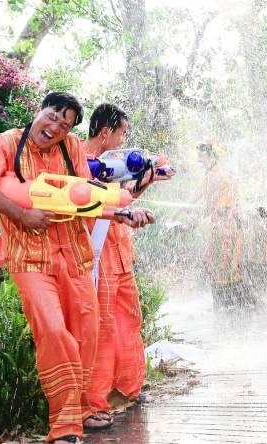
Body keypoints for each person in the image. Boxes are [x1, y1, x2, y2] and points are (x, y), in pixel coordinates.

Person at [0, 92, 141, 444]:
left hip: (76, 257)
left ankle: (81, 410)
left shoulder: (71, 150)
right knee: (53, 330)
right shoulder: (5, 143)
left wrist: (122, 213)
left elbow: (88, 197)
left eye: (65, 125)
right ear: (39, 111)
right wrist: (21, 213)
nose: (55, 127)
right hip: (31, 259)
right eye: (53, 116)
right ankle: (64, 426)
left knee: (86, 334)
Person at [83, 104, 159, 425]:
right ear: (105, 133)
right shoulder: (82, 161)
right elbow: (92, 203)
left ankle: (128, 386)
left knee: (129, 317)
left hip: (121, 252)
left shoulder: (113, 164)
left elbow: (123, 198)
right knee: (102, 327)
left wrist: (148, 178)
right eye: (121, 133)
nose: (123, 140)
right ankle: (94, 402)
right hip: (97, 256)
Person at [195, 141, 255, 310]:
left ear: (212, 156)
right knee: (223, 267)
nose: (199, 160)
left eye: (201, 156)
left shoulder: (218, 176)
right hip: (220, 226)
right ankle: (236, 306)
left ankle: (233, 306)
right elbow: (195, 195)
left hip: (226, 227)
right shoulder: (209, 175)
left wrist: (190, 224)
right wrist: (176, 215)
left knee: (228, 268)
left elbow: (207, 207)